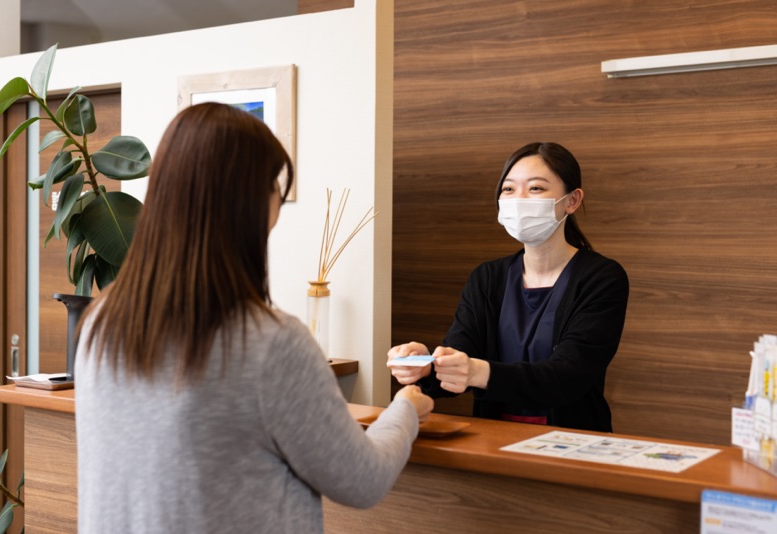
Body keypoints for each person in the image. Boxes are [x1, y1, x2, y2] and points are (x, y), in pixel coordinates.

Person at [74, 102, 433, 534]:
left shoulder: (100, 323)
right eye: (274, 188)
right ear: (251, 202)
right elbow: (362, 479)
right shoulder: (270, 344)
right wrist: (405, 409)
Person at [388, 141, 628, 432]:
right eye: (509, 189)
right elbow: (461, 356)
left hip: (571, 443)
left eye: (535, 188)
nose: (519, 199)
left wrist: (477, 371)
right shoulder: (487, 278)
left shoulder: (601, 278)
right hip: (494, 440)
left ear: (572, 200)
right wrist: (425, 364)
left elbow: (567, 377)